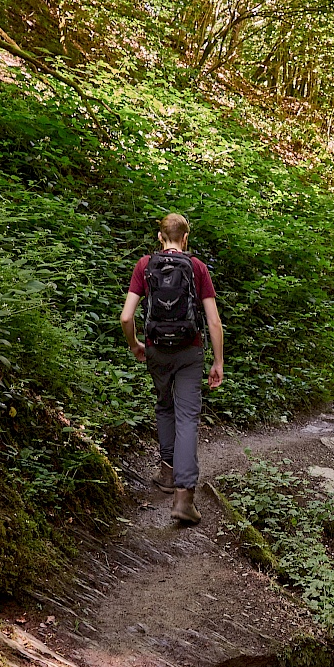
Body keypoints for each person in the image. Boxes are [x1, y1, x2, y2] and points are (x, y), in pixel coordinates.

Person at [120, 213, 224, 525]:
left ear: (159, 237)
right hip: (189, 350)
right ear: (186, 238)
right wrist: (218, 362)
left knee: (165, 405)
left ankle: (167, 471)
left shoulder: (144, 265)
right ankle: (183, 498)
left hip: (155, 350)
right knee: (187, 417)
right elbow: (214, 320)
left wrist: (135, 344)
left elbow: (126, 317)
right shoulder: (197, 267)